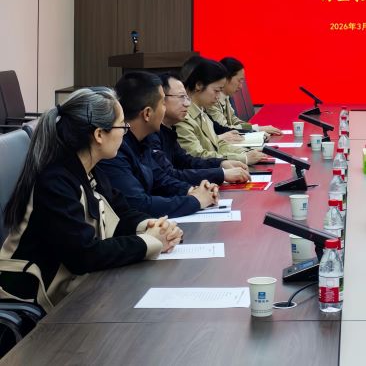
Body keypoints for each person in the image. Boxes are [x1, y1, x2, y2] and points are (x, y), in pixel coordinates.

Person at [0, 88, 182, 311]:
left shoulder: (90, 170)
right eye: (122, 126)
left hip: (73, 289)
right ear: (99, 135)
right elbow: (84, 255)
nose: (125, 133)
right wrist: (149, 242)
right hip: (30, 301)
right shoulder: (55, 182)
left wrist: (154, 227)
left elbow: (121, 213)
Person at [96, 72, 218, 217]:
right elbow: (139, 204)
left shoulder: (143, 140)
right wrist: (195, 201)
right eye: (163, 104)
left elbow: (160, 179)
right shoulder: (115, 150)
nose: (164, 110)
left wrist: (192, 190)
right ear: (147, 113)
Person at [150, 73, 250, 186]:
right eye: (181, 97)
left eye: (186, 98)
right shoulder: (151, 134)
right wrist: (221, 174)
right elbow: (168, 176)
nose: (187, 104)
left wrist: (221, 164)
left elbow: (186, 161)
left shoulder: (168, 128)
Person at [175, 57, 270, 165]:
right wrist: (243, 158)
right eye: (216, 91)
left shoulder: (201, 111)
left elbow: (218, 144)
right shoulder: (183, 116)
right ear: (199, 85)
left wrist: (245, 152)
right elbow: (197, 156)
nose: (218, 97)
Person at [207, 57, 282, 138]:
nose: (241, 86)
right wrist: (257, 129)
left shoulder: (225, 96)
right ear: (226, 78)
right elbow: (225, 128)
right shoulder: (212, 100)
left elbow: (235, 121)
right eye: (239, 81)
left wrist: (255, 128)